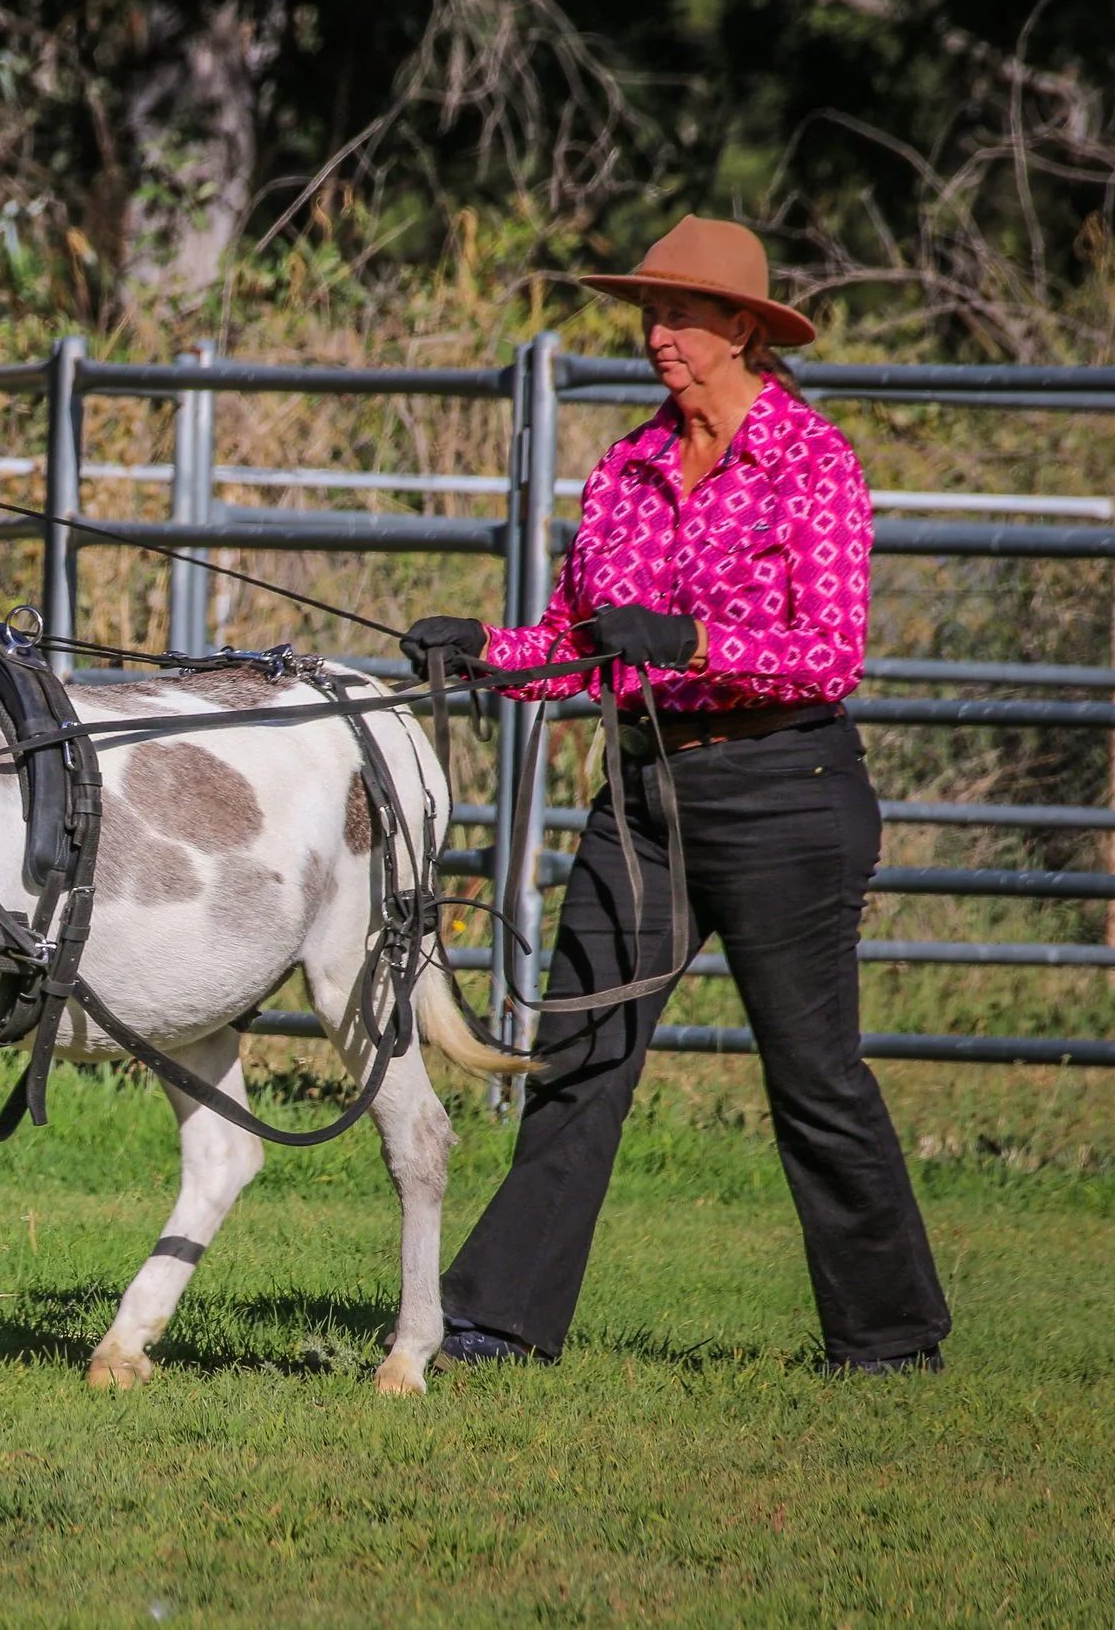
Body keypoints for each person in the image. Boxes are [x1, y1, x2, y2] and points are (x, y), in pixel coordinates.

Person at [402, 214, 951, 1375]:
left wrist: (691, 637)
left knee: (812, 1077)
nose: (659, 336)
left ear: (744, 329)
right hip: (642, 795)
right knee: (579, 1057)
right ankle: (497, 1321)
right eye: (650, 315)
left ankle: (890, 1342)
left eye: (683, 317)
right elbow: (568, 643)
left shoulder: (812, 462)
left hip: (784, 791)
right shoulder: (626, 469)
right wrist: (483, 654)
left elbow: (829, 651)